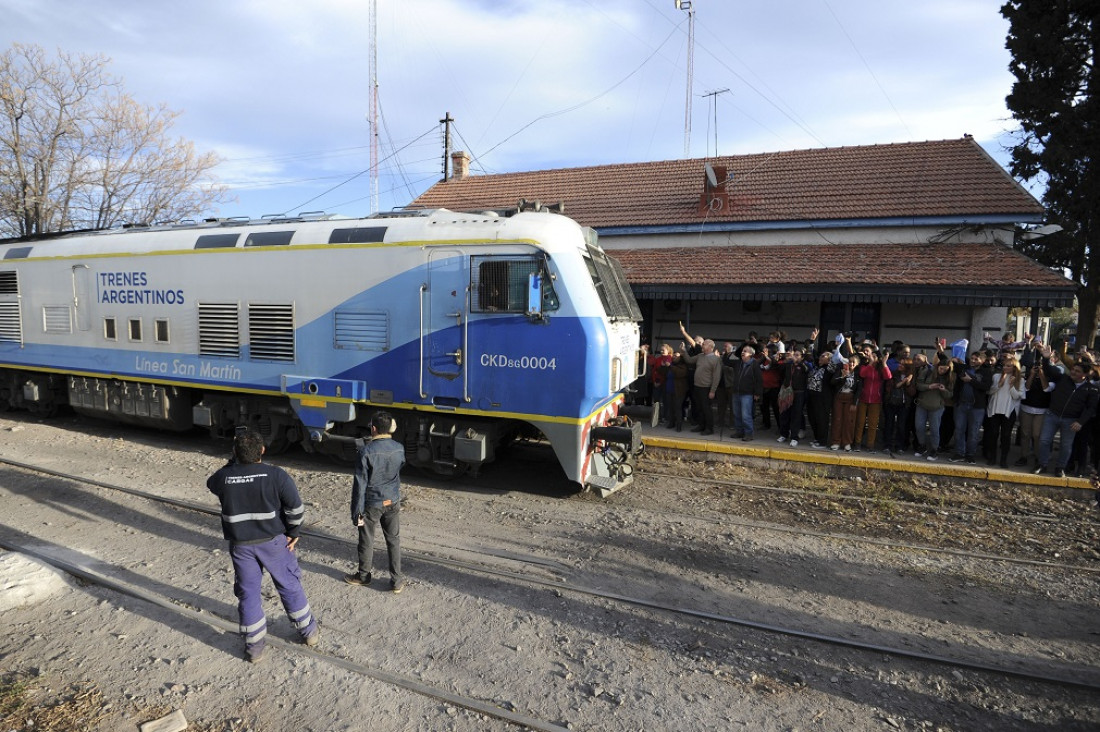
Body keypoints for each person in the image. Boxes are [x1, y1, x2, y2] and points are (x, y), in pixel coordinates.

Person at [207, 429, 319, 663]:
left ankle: (255, 648)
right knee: (289, 585)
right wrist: (293, 532)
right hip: (274, 543)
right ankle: (308, 633)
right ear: (263, 451)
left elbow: (212, 483)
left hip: (242, 547)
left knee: (248, 595)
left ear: (235, 452)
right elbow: (296, 509)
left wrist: (233, 461)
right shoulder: (276, 476)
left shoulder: (224, 477)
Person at [346, 411, 407, 592]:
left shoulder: (366, 452)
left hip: (372, 503)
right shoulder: (399, 448)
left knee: (367, 540)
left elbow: (360, 485)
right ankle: (397, 581)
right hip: (393, 501)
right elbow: (399, 468)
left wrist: (356, 512)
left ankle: (364, 576)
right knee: (393, 540)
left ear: (373, 429)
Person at [1034, 347, 1099, 477]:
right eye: (1073, 370)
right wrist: (1046, 359)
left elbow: (1091, 408)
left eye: (1077, 371)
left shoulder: (1091, 389)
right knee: (1044, 441)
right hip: (1052, 415)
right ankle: (1042, 464)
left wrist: (1080, 422)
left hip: (1071, 420)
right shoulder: (1063, 379)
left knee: (1066, 446)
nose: (1073, 372)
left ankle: (1060, 467)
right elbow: (1049, 370)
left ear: (1084, 375)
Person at [985, 357, 1024, 468]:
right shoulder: (996, 376)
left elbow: (1017, 396)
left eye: (1008, 366)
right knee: (993, 434)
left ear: (1014, 367)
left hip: (1008, 411)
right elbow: (990, 391)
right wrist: (999, 383)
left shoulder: (1019, 380)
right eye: (1004, 365)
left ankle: (1003, 460)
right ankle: (992, 458)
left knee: (1006, 436)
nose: (1005, 368)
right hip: (995, 409)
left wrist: (1011, 386)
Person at [682, 338, 722, 436]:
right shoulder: (700, 356)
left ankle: (709, 428)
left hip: (706, 388)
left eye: (704, 344)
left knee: (706, 408)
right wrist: (683, 351)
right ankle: (701, 425)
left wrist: (712, 391)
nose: (702, 346)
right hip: (697, 386)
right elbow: (689, 360)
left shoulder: (716, 359)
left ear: (710, 347)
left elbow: (717, 376)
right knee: (699, 407)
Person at [725, 344, 763, 441]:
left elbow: (759, 380)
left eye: (745, 351)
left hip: (747, 394)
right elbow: (726, 361)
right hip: (736, 392)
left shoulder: (754, 364)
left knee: (746, 415)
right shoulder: (738, 363)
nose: (742, 352)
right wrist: (728, 352)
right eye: (742, 350)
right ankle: (739, 432)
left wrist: (757, 394)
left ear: (751, 354)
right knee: (737, 414)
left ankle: (748, 434)